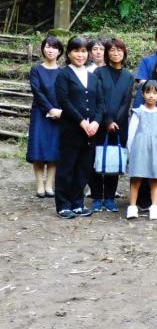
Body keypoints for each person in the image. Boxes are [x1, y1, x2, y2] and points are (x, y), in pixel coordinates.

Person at [54, 36, 104, 219]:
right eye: (76, 50)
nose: (80, 55)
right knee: (67, 168)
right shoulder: (63, 74)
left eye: (83, 51)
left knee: (83, 168)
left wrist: (96, 122)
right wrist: (82, 121)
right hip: (71, 129)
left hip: (91, 131)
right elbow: (64, 101)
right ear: (68, 53)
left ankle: (77, 203)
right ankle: (63, 204)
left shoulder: (93, 76)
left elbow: (100, 102)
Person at [89, 38, 135, 213]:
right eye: (112, 50)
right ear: (107, 53)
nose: (116, 53)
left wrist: (116, 121)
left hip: (120, 125)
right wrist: (107, 121)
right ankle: (96, 197)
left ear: (124, 53)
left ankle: (109, 197)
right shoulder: (99, 72)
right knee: (96, 160)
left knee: (114, 160)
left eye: (119, 50)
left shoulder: (129, 76)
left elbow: (126, 101)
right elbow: (98, 98)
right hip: (99, 123)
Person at [26, 36, 64, 198]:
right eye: (47, 46)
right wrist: (50, 109)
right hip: (40, 113)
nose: (50, 50)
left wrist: (61, 111)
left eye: (54, 47)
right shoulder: (36, 70)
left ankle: (49, 184)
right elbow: (37, 91)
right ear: (42, 49)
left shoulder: (63, 72)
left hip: (60, 115)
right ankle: (39, 184)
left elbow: (65, 93)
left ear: (60, 51)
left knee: (54, 150)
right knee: (38, 149)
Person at [126, 80, 157, 220]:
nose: (151, 96)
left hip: (155, 149)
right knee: (136, 179)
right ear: (142, 94)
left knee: (154, 179)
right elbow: (132, 133)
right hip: (140, 148)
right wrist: (130, 150)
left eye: (154, 93)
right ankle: (132, 207)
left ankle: (154, 207)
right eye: (148, 92)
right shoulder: (138, 112)